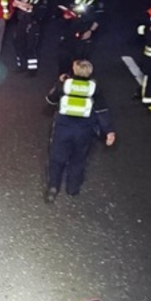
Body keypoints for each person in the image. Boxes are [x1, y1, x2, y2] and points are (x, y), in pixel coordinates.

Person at [44, 60, 115, 203]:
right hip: (84, 130)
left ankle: (53, 187)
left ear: (75, 70)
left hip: (63, 128)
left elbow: (50, 100)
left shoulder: (66, 84)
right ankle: (72, 188)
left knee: (57, 158)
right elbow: (102, 110)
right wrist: (109, 131)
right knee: (78, 159)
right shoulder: (94, 88)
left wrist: (59, 83)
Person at [56, 0, 104, 75]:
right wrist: (67, 15)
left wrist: (90, 31)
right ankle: (64, 75)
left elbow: (99, 18)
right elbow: (73, 7)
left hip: (85, 29)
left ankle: (79, 76)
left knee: (81, 57)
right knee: (64, 52)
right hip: (72, 27)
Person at [13, 0, 49, 74]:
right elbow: (22, 4)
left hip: (33, 22)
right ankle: (21, 66)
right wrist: (17, 5)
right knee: (19, 43)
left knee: (31, 46)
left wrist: (28, 7)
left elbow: (39, 10)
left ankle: (32, 69)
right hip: (22, 21)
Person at [137, 6, 151, 111]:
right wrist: (149, 29)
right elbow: (140, 30)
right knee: (150, 78)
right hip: (150, 56)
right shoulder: (149, 14)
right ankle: (149, 101)